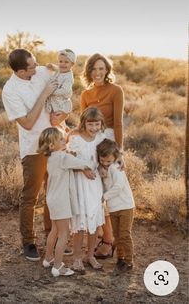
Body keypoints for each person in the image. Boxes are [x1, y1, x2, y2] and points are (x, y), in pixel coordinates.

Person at [2, 49, 59, 261]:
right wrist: (44, 95)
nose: (38, 68)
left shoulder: (40, 71)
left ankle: (53, 239)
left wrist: (58, 66)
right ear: (20, 71)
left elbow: (60, 74)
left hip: (55, 144)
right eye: (32, 67)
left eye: (36, 64)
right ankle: (28, 242)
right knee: (30, 197)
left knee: (53, 193)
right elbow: (26, 123)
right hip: (33, 148)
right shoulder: (10, 91)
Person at [80, 53, 125, 258]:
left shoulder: (116, 90)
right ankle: (100, 234)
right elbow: (83, 125)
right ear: (88, 71)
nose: (97, 72)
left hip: (108, 145)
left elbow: (118, 123)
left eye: (101, 68)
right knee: (94, 192)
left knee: (108, 191)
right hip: (90, 145)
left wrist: (119, 151)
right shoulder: (85, 95)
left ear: (107, 70)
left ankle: (110, 240)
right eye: (93, 69)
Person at [38, 127, 94, 277]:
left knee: (55, 230)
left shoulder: (52, 157)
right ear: (51, 145)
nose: (65, 141)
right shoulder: (63, 158)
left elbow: (71, 161)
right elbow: (82, 162)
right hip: (61, 201)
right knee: (64, 233)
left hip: (52, 199)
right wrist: (91, 162)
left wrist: (69, 153)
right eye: (61, 139)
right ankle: (57, 267)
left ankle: (48, 258)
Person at [68, 107, 105, 272]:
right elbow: (69, 161)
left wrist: (104, 167)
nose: (94, 128)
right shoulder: (75, 139)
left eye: (97, 124)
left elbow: (105, 158)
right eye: (90, 124)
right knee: (80, 222)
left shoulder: (101, 139)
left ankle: (90, 255)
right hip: (80, 183)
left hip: (95, 184)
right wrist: (83, 168)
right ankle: (76, 258)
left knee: (94, 220)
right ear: (83, 123)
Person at [96, 139, 135, 272]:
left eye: (108, 161)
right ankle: (120, 258)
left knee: (124, 234)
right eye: (102, 161)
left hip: (125, 206)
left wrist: (104, 197)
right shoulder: (103, 168)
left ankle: (129, 262)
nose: (105, 164)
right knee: (117, 235)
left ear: (115, 157)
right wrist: (101, 167)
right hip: (113, 207)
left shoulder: (117, 168)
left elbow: (118, 187)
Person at [45, 49, 76, 119]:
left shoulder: (68, 78)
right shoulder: (61, 70)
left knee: (55, 119)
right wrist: (52, 67)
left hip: (60, 102)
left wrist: (51, 91)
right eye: (60, 61)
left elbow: (65, 91)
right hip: (53, 99)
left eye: (66, 62)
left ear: (72, 64)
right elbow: (58, 69)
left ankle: (61, 127)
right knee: (48, 116)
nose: (63, 64)